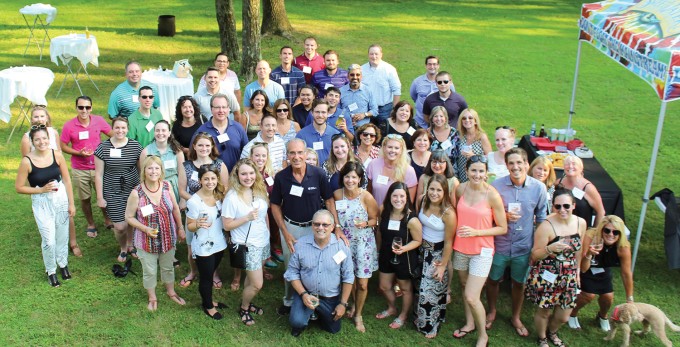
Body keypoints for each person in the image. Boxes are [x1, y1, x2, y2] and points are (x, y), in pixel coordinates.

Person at [270, 139, 343, 315]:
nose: (296, 157)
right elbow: (275, 205)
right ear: (287, 155)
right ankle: (288, 301)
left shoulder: (318, 174)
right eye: (292, 153)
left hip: (315, 228)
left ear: (305, 153)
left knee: (315, 263)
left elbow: (329, 199)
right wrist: (284, 232)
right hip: (291, 228)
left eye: (300, 152)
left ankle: (316, 297)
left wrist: (336, 225)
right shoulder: (281, 177)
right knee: (290, 266)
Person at [486, 148, 548, 337]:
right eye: (511, 163)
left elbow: (542, 219)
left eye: (519, 162)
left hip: (523, 246)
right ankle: (492, 311)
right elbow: (486, 213)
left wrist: (537, 248)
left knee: (519, 283)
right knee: (493, 280)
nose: (515, 167)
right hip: (500, 245)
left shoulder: (539, 188)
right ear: (506, 166)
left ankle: (515, 316)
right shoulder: (495, 186)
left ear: (527, 164)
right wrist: (502, 215)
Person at [451, 155, 507, 347]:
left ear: (486, 173)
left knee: (471, 296)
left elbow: (502, 227)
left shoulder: (492, 195)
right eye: (473, 170)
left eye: (481, 171)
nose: (477, 174)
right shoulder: (460, 189)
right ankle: (469, 323)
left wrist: (477, 232)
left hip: (482, 251)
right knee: (465, 285)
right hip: (460, 248)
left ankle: (483, 335)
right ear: (466, 171)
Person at [15, 124, 76, 287]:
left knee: (62, 235)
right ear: (32, 142)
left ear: (49, 139)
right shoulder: (27, 161)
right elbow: (19, 187)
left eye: (44, 138)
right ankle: (51, 270)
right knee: (49, 240)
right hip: (42, 202)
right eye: (37, 139)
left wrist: (71, 203)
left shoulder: (57, 155)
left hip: (60, 199)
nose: (41, 142)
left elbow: (67, 179)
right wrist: (41, 190)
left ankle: (63, 264)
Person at [526, 189, 586, 347]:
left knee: (564, 315)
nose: (562, 210)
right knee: (544, 311)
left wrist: (578, 270)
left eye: (566, 206)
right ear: (552, 207)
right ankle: (542, 338)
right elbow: (535, 255)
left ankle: (552, 332)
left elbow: (579, 250)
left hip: (569, 274)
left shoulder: (581, 223)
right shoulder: (546, 226)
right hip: (548, 275)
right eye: (557, 206)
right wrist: (550, 249)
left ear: (573, 205)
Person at [124, 156, 185, 311]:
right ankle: (152, 297)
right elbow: (129, 217)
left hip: (168, 237)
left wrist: (180, 228)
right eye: (150, 168)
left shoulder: (167, 186)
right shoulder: (136, 193)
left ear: (161, 171)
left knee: (168, 267)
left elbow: (176, 209)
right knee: (149, 270)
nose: (153, 171)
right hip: (145, 240)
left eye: (157, 168)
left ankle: (171, 292)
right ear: (144, 170)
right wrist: (145, 229)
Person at [284, 210, 354, 337]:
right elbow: (292, 273)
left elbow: (348, 276)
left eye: (325, 224)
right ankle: (306, 312)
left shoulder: (342, 247)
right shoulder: (300, 245)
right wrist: (304, 295)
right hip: (306, 294)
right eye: (316, 224)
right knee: (296, 322)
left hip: (330, 297)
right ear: (312, 226)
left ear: (332, 227)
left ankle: (317, 313)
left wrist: (343, 304)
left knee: (333, 329)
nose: (320, 228)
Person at [178, 133, 229, 290]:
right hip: (194, 211)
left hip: (214, 211)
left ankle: (213, 273)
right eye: (200, 145)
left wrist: (210, 203)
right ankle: (193, 271)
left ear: (212, 147)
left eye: (207, 145)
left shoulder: (220, 165)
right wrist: (198, 202)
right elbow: (181, 190)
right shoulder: (186, 166)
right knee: (191, 245)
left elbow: (224, 189)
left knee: (215, 243)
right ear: (194, 146)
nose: (204, 148)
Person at [223, 159, 271, 325]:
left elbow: (264, 214)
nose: (248, 177)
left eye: (251, 173)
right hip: (248, 245)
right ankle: (244, 307)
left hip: (263, 241)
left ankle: (248, 303)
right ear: (237, 175)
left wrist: (268, 232)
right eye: (244, 173)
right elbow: (226, 225)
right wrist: (246, 218)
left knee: (251, 280)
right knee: (257, 284)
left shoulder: (259, 190)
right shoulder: (232, 197)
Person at [333, 162, 379, 332]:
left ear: (360, 179)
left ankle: (358, 314)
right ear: (342, 178)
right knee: (348, 278)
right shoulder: (337, 195)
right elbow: (334, 217)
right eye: (347, 176)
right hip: (344, 243)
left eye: (354, 177)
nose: (350, 180)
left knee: (362, 283)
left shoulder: (366, 196)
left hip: (362, 244)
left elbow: (376, 219)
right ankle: (353, 305)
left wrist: (366, 223)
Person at [569, 215, 634, 331]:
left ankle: (602, 316)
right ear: (601, 229)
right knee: (588, 295)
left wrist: (629, 298)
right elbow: (583, 268)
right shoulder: (591, 236)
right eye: (607, 230)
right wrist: (589, 253)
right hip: (586, 268)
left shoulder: (623, 247)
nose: (611, 234)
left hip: (603, 270)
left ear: (620, 234)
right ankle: (572, 313)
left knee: (608, 297)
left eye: (616, 232)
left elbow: (626, 273)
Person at [60, 96, 113, 239]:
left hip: (99, 167)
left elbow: (112, 134)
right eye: (81, 107)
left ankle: (107, 219)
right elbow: (63, 146)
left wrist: (105, 149)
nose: (84, 110)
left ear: (91, 108)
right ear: (76, 108)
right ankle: (91, 223)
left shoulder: (99, 120)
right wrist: (78, 153)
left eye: (87, 107)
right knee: (85, 198)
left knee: (103, 195)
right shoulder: (69, 126)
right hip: (80, 168)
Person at [414, 174, 457, 339]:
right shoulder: (423, 200)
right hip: (420, 250)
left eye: (439, 190)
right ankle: (418, 317)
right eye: (432, 188)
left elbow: (448, 242)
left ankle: (431, 325)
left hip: (437, 254)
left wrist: (442, 265)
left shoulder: (448, 213)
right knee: (418, 287)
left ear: (445, 191)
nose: (434, 193)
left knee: (430, 291)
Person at [95, 117, 143, 262]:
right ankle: (123, 247)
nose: (120, 131)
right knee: (120, 226)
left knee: (131, 219)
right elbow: (98, 174)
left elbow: (141, 170)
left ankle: (131, 244)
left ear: (127, 129)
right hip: (112, 190)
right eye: (117, 128)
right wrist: (99, 197)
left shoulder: (135, 146)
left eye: (123, 128)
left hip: (132, 189)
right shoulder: (103, 148)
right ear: (112, 129)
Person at [375, 182, 422, 330]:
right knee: (384, 286)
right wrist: (377, 249)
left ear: (407, 197)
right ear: (389, 197)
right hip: (386, 254)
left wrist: (403, 249)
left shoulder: (411, 219)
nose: (398, 199)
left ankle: (403, 315)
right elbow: (379, 232)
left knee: (405, 288)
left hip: (405, 257)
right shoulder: (384, 211)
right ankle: (392, 307)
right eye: (395, 195)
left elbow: (418, 240)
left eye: (402, 196)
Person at [185, 164, 228, 320]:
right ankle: (208, 306)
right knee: (206, 277)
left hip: (219, 243)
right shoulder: (194, 202)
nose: (210, 182)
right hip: (204, 246)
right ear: (200, 180)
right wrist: (197, 224)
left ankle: (210, 300)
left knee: (210, 273)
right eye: (206, 179)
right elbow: (190, 226)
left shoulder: (219, 196)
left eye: (213, 178)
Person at [192, 94, 248, 171]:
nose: (221, 110)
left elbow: (247, 152)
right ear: (211, 109)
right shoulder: (202, 131)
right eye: (217, 107)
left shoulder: (238, 128)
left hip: (236, 177)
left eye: (224, 107)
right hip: (212, 180)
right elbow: (193, 156)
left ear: (228, 109)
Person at [140, 120, 187, 204]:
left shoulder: (177, 151)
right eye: (157, 130)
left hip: (173, 188)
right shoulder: (146, 152)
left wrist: (183, 198)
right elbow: (143, 176)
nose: (160, 133)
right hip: (153, 189)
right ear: (154, 132)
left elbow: (182, 175)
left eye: (163, 130)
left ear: (169, 133)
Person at [366, 134, 417, 207]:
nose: (393, 150)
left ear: (401, 150)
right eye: (390, 147)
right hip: (375, 212)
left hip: (396, 215)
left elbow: (409, 201)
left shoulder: (409, 170)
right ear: (384, 148)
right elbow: (368, 192)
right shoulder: (373, 164)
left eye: (396, 148)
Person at [555, 155, 606, 228]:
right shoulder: (558, 182)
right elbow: (550, 200)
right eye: (567, 164)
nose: (570, 166)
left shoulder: (588, 188)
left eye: (574, 164)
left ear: (581, 168)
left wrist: (593, 232)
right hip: (560, 226)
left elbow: (601, 212)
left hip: (580, 230)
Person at [361, 44, 402, 124]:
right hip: (367, 109)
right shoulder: (362, 69)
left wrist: (394, 109)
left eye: (376, 54)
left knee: (384, 133)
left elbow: (397, 90)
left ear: (381, 55)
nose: (374, 56)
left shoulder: (389, 69)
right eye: (371, 54)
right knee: (366, 133)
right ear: (368, 55)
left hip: (384, 110)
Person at [295, 99, 340, 165]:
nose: (320, 115)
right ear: (312, 113)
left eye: (323, 112)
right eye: (317, 112)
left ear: (328, 114)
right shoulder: (301, 135)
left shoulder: (336, 135)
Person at [456, 108, 492, 182]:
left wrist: (474, 156)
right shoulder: (461, 136)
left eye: (470, 118)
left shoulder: (481, 136)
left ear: (475, 121)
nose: (467, 120)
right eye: (464, 118)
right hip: (463, 174)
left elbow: (490, 157)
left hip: (477, 175)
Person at [410, 56, 441, 129]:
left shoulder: (445, 82)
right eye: (429, 64)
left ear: (438, 66)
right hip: (420, 123)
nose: (432, 66)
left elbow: (450, 97)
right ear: (426, 66)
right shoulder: (417, 82)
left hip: (439, 123)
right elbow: (413, 96)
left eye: (434, 64)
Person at [429, 106, 460, 173]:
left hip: (452, 172)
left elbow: (458, 153)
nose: (439, 119)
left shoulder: (454, 133)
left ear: (445, 118)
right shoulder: (428, 133)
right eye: (436, 116)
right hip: (434, 171)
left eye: (441, 116)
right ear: (432, 118)